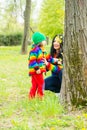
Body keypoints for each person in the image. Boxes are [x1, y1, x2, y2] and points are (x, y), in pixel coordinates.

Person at [28, 32, 47, 99]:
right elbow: (32, 60)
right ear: (39, 42)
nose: (45, 41)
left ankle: (31, 97)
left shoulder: (40, 49)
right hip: (36, 71)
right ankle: (40, 97)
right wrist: (37, 68)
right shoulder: (35, 50)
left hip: (37, 71)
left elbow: (43, 58)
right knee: (41, 83)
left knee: (35, 84)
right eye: (43, 40)